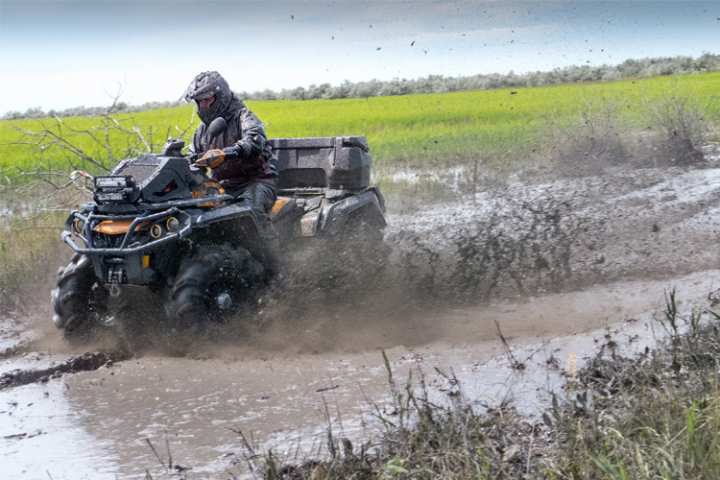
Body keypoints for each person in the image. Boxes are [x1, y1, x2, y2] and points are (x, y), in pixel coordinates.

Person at [184, 71, 280, 275]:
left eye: (206, 100)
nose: (202, 106)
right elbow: (193, 161)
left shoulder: (243, 116)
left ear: (221, 97)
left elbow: (254, 140)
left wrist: (227, 153)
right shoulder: (202, 131)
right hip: (222, 187)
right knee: (192, 214)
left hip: (257, 181)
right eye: (199, 102)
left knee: (251, 210)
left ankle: (275, 269)